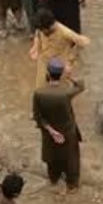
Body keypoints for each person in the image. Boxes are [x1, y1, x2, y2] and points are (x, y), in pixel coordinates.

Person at [32, 58, 84, 192]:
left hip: (49, 133)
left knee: (52, 156)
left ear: (48, 74)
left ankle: (54, 180)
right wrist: (69, 76)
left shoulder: (39, 93)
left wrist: (51, 131)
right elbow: (81, 86)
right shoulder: (66, 93)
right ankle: (72, 185)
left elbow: (38, 117)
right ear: (60, 75)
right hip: (67, 132)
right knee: (71, 158)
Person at [30, 8, 89, 88]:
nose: (42, 32)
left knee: (60, 95)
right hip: (43, 65)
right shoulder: (43, 27)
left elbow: (84, 42)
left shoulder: (65, 32)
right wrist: (35, 46)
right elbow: (37, 31)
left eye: (43, 30)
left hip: (58, 70)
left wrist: (70, 62)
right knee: (40, 91)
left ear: (49, 26)